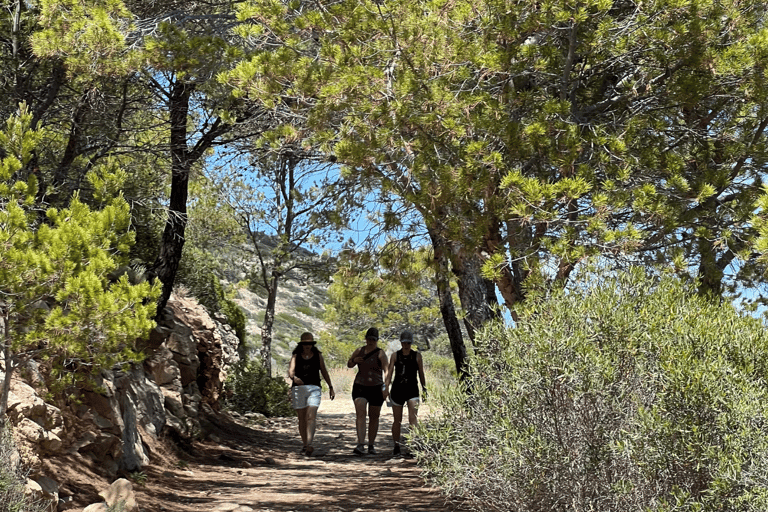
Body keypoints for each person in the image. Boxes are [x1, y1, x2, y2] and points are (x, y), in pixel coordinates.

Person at [287, 332, 335, 456]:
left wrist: (330, 386)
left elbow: (324, 371)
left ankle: (309, 443)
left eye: (310, 344)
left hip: (314, 388)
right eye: (305, 344)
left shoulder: (318, 356)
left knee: (311, 415)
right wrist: (294, 378)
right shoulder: (296, 356)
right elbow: (290, 371)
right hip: (298, 389)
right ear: (302, 345)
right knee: (302, 418)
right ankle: (304, 444)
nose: (307, 346)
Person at [347, 327, 389, 455]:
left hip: (376, 387)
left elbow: (387, 370)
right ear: (365, 339)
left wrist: (386, 386)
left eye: (373, 340)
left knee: (374, 416)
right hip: (360, 386)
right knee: (360, 414)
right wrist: (354, 360)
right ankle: (360, 444)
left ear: (377, 340)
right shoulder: (359, 351)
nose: (371, 342)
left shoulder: (381, 353)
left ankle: (371, 444)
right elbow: (349, 364)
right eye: (369, 339)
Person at [385, 330, 427, 455]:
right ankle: (396, 445)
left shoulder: (417, 356)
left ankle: (413, 445)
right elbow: (390, 372)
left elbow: (421, 373)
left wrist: (425, 388)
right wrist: (386, 387)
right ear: (401, 342)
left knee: (413, 419)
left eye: (408, 342)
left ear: (411, 343)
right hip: (397, 390)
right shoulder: (395, 355)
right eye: (404, 342)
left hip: (412, 390)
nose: (406, 345)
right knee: (397, 420)